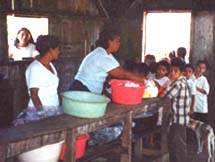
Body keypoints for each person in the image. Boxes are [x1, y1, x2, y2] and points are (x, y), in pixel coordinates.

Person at [70, 27, 145, 93]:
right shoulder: (102, 56)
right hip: (81, 91)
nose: (119, 44)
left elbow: (119, 70)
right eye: (117, 41)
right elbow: (122, 74)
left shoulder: (105, 53)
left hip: (84, 89)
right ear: (110, 42)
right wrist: (145, 81)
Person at [14, 35, 62, 125]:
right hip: (39, 114)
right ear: (51, 50)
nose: (59, 51)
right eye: (58, 49)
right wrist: (42, 114)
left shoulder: (50, 65)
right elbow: (34, 95)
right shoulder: (35, 68)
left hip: (52, 111)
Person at [160, 58, 191, 162]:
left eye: (175, 71)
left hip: (178, 120)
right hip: (180, 120)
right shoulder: (183, 81)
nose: (172, 73)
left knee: (177, 146)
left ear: (182, 73)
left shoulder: (177, 84)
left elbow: (165, 96)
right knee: (178, 145)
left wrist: (166, 83)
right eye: (171, 70)